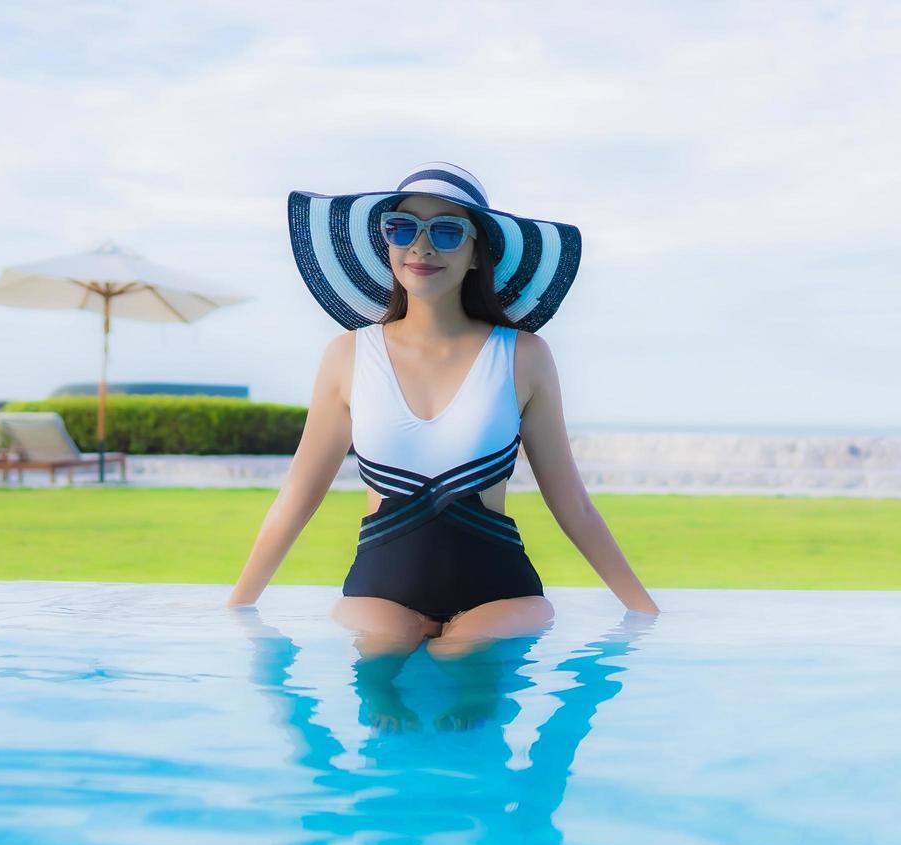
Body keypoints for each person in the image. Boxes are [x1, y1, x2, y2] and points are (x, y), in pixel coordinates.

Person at [227, 161, 660, 652]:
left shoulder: (523, 356)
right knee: (384, 673)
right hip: (379, 596)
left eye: (448, 231)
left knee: (463, 663)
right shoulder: (348, 356)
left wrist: (643, 611)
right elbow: (297, 496)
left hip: (499, 598)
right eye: (402, 227)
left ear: (478, 253)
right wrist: (239, 608)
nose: (422, 245)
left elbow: (572, 503)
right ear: (386, 242)